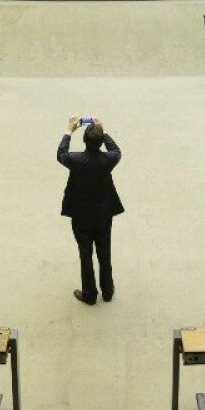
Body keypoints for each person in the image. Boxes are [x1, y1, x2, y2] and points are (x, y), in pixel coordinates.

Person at [58, 117, 123, 305]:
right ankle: (108, 291)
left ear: (84, 142)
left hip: (81, 214)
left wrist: (69, 130)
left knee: (85, 252)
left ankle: (89, 293)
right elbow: (116, 150)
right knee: (105, 251)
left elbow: (60, 153)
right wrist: (103, 130)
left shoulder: (75, 160)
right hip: (103, 213)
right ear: (101, 142)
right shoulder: (109, 159)